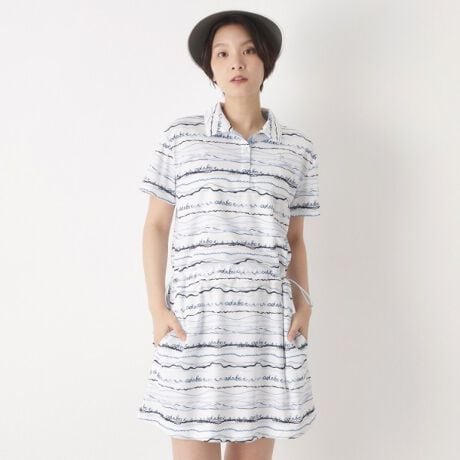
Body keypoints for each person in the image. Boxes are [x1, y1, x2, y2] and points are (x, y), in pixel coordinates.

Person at [137, 10, 320, 460]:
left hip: (265, 325)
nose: (236, 62)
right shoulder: (181, 138)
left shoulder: (297, 149)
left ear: (265, 61)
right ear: (211, 68)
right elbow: (156, 225)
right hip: (194, 322)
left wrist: (304, 303)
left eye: (248, 51)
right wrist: (157, 308)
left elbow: (295, 238)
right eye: (222, 54)